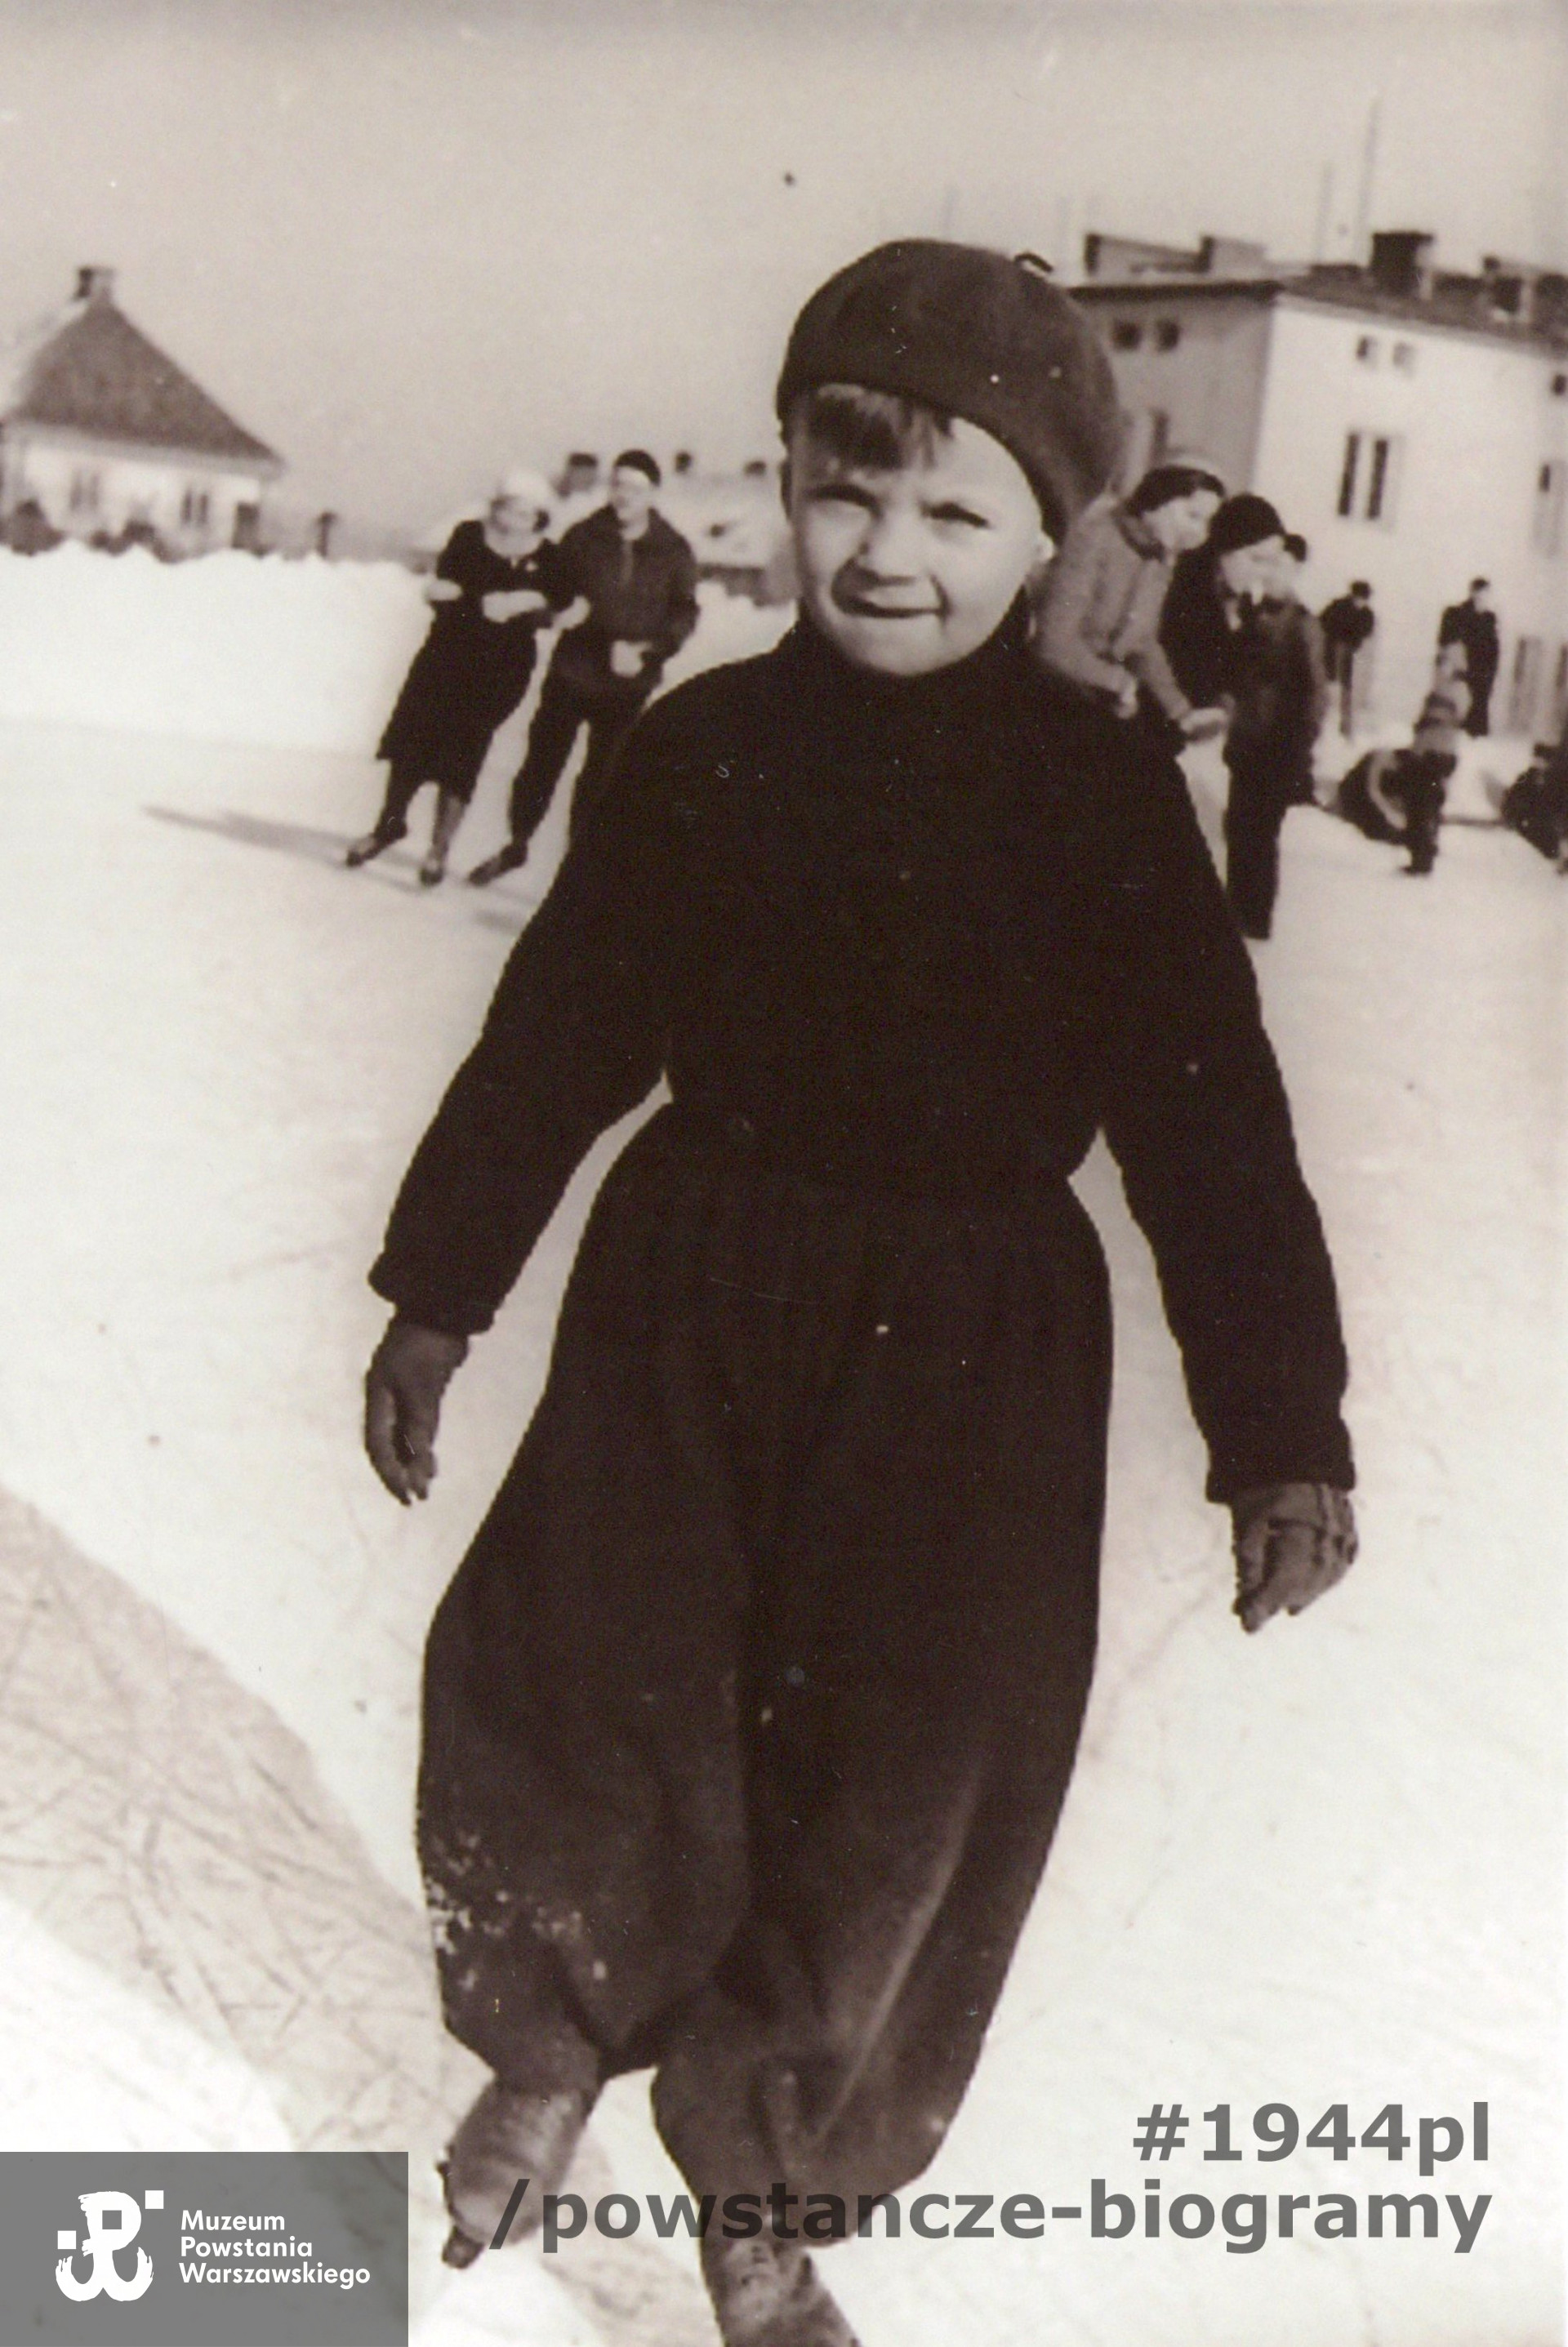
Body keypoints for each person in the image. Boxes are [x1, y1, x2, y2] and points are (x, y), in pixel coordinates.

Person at [359, 243, 1356, 2347]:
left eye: (951, 510)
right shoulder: (712, 745)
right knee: (589, 1665)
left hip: (979, 1349)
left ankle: (769, 2189)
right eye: (843, 488)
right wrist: (440, 1286)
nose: (884, 552)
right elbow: (558, 1029)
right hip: (694, 1280)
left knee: (912, 1778)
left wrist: (1279, 1427)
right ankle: (545, 2040)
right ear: (788, 477)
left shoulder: (1102, 801)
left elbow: (1212, 1132)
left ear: (1052, 532)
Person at [466, 452, 700, 884]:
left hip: (628, 683)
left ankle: (576, 872)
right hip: (574, 672)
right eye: (618, 485)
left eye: (634, 488)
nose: (624, 496)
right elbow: (551, 593)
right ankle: (517, 843)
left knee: (603, 778)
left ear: (652, 493)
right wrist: (553, 614)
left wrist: (648, 650)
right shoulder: (583, 537)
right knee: (542, 762)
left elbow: (684, 614)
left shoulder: (673, 549)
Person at [345, 471, 570, 887]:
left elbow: (559, 604)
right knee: (413, 740)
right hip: (445, 658)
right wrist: (467, 599)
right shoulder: (469, 536)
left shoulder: (550, 556)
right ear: (496, 506)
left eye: (526, 511)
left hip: (501, 670)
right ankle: (388, 826)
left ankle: (439, 848)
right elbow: (448, 586)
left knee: (465, 749)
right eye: (507, 507)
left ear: (539, 515)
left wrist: (526, 601)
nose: (515, 518)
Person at [1033, 458, 1227, 737]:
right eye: (1192, 515)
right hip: (1043, 696)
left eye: (1207, 522)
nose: (1199, 533)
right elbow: (1052, 643)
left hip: (1088, 704)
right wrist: (1118, 682)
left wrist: (1180, 710)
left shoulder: (1159, 557)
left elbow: (1141, 641)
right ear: (1159, 499)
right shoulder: (1096, 535)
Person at [1335, 643, 1469, 875]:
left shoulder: (1452, 691)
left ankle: (1422, 858)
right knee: (1427, 804)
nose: (1438, 668)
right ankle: (1424, 852)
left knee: (1422, 805)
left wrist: (1423, 731)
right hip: (1435, 752)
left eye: (1443, 663)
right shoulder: (1448, 690)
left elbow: (1436, 721)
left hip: (1435, 753)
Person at [1437, 579, 1500, 737]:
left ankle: (1474, 730)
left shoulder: (1489, 617)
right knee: (1458, 701)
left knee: (1478, 703)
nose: (1483, 598)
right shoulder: (1458, 613)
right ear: (1472, 592)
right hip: (1465, 665)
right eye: (1480, 593)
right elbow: (1448, 641)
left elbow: (1492, 645)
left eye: (1486, 594)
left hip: (1482, 669)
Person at [1318, 580, 1376, 737]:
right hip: (1331, 652)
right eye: (1359, 598)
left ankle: (1346, 728)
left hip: (1352, 656)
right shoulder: (1338, 607)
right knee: (1326, 688)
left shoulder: (1367, 614)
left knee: (1348, 691)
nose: (1361, 602)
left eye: (1364, 599)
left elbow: (1367, 634)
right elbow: (1321, 625)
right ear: (1352, 595)